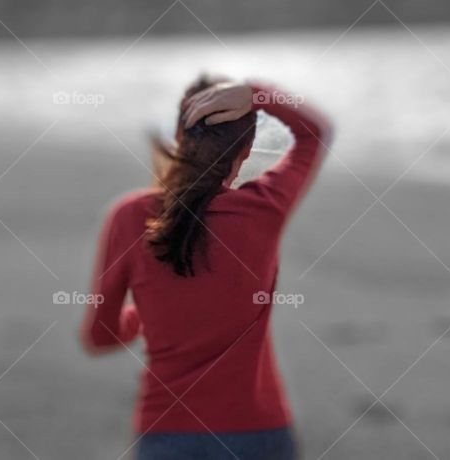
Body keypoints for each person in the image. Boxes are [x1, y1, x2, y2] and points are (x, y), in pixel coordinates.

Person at [80, 75, 332, 459]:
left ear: (181, 138)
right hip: (257, 432)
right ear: (246, 150)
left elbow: (100, 336)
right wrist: (256, 93)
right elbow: (314, 132)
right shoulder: (263, 208)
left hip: (167, 434)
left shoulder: (130, 217)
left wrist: (145, 317)